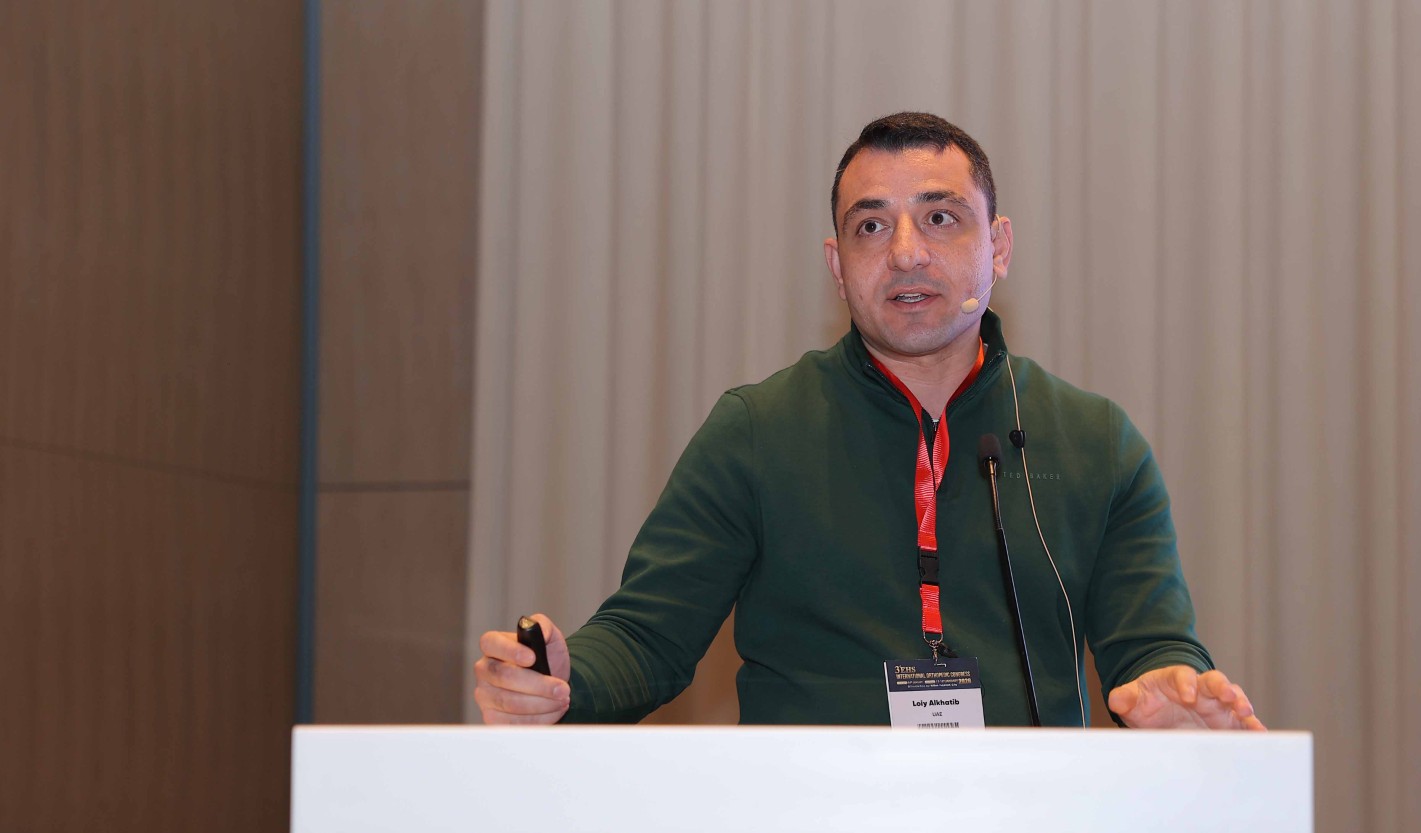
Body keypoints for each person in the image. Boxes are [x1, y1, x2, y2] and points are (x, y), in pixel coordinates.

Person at [475, 112, 1262, 731]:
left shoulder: (1097, 441)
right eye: (872, 226)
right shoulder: (758, 430)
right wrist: (562, 681)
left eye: (941, 218)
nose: (907, 253)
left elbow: (1153, 648)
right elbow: (646, 637)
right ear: (837, 266)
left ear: (999, 247)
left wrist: (1177, 693)